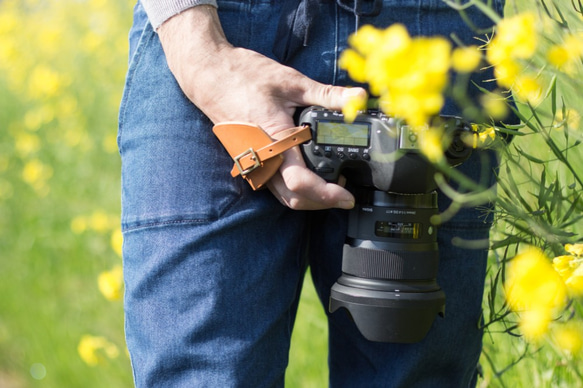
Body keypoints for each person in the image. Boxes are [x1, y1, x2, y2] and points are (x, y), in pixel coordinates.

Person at [118, 0, 506, 386]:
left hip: (434, 33)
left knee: (415, 369)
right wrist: (199, 49)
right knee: (206, 377)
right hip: (219, 27)